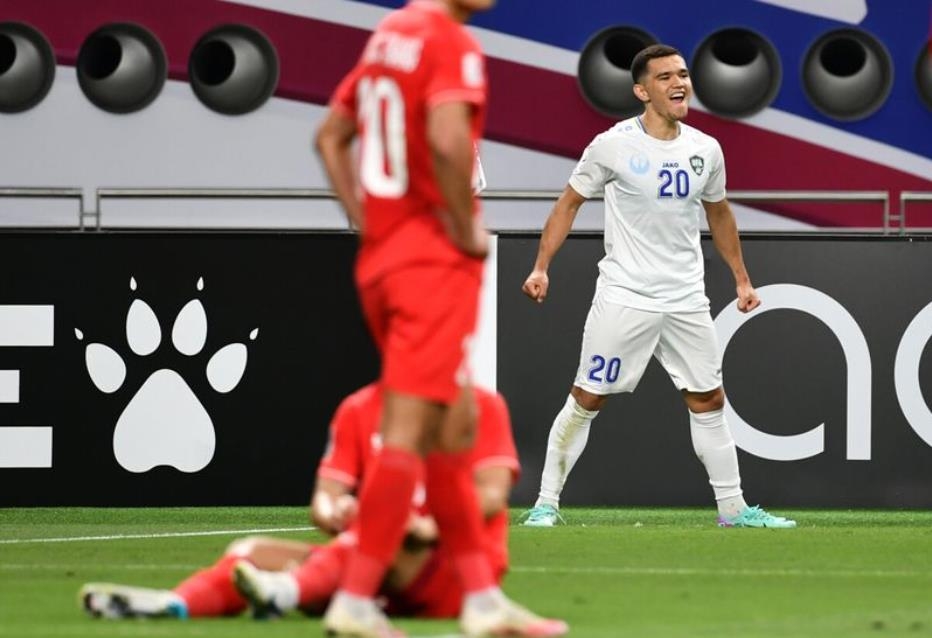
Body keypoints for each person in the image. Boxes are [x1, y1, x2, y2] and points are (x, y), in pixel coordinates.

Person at [314, 0, 567, 635]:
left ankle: (481, 601)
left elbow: (330, 136)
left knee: (453, 426)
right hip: (431, 262)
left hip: (385, 260)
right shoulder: (449, 41)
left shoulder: (388, 36)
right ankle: (355, 600)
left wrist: (368, 223)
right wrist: (463, 227)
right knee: (408, 428)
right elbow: (450, 139)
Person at [520, 44, 796, 530]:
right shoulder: (611, 145)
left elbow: (719, 213)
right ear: (642, 91)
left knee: (709, 398)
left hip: (686, 297)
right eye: (666, 76)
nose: (679, 83)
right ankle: (545, 504)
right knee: (588, 397)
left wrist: (742, 279)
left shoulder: (705, 149)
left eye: (684, 74)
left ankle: (733, 510)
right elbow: (568, 204)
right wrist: (542, 266)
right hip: (625, 295)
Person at [79, 384, 520, 621]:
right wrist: (338, 513)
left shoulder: (480, 406)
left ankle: (286, 590)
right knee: (246, 554)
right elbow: (324, 502)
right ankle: (173, 605)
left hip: (456, 575)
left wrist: (427, 529)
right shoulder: (358, 409)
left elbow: (492, 494)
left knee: (379, 529)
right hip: (368, 567)